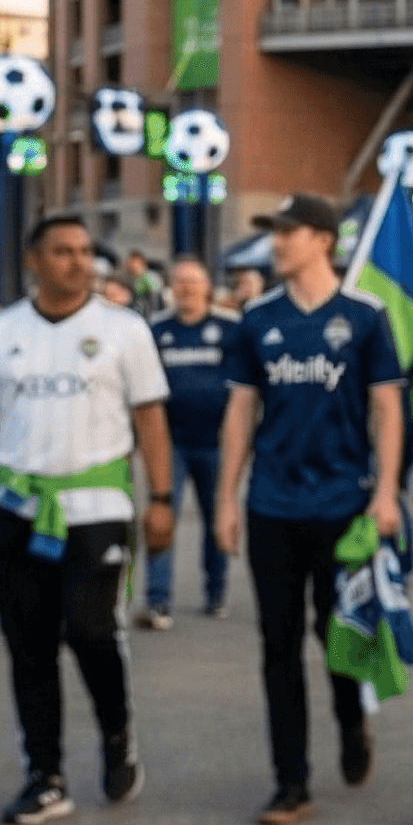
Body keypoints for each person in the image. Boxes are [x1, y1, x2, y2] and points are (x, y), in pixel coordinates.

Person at [0, 215, 173, 825]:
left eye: (83, 252)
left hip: (97, 509)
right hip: (17, 509)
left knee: (92, 632)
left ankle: (117, 734)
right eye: (62, 252)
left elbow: (150, 418)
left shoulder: (124, 330)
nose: (78, 262)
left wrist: (162, 499)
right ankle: (45, 775)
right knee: (29, 646)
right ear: (33, 259)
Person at [215, 195, 403, 825]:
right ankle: (290, 782)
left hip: (343, 506)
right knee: (277, 644)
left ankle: (352, 724)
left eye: (288, 232)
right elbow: (241, 411)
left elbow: (386, 409)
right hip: (272, 504)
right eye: (273, 232)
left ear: (324, 239)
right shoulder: (256, 319)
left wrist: (383, 495)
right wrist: (225, 499)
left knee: (335, 633)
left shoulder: (365, 317)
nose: (276, 243)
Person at [139, 257, 239, 626]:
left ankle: (216, 592)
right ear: (170, 288)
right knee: (162, 514)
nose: (186, 290)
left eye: (194, 283)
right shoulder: (156, 329)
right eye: (180, 283)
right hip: (169, 443)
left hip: (215, 442)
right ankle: (158, 600)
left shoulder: (229, 328)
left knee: (216, 518)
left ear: (207, 287)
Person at [123, 250, 165, 320]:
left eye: (135, 262)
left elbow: (155, 292)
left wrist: (141, 275)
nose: (132, 265)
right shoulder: (126, 277)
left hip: (150, 309)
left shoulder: (151, 276)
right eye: (130, 262)